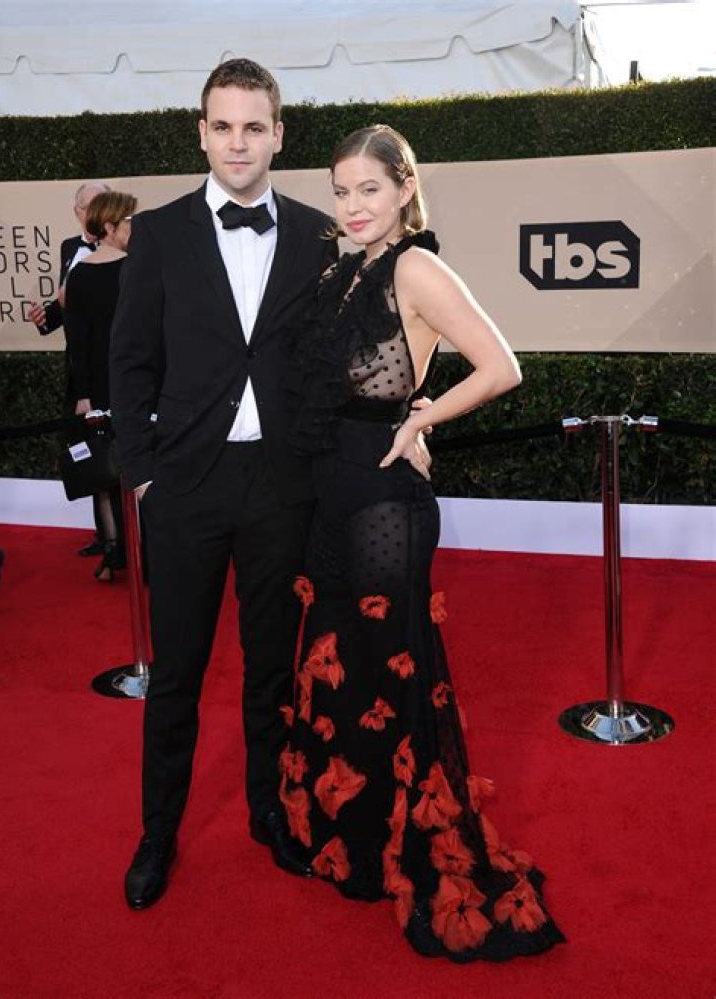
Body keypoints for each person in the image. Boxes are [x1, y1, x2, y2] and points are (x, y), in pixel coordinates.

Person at [282, 124, 565, 961]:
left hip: (383, 505)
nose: (352, 206)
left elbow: (501, 365)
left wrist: (421, 418)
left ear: (405, 188)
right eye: (341, 191)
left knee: (387, 674)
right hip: (333, 496)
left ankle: (397, 842)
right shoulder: (346, 270)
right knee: (341, 665)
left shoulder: (415, 268)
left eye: (369, 189)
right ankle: (355, 832)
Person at [109, 58, 337, 910]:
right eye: (223, 126)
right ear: (201, 133)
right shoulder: (159, 234)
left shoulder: (318, 234)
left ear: (279, 135)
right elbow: (129, 362)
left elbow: (331, 365)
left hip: (281, 486)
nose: (238, 142)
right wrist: (143, 475)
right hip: (186, 487)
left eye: (254, 126)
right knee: (176, 674)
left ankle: (268, 812)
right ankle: (158, 832)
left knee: (272, 669)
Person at [26, 180, 112, 559]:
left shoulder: (123, 248)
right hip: (79, 367)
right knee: (87, 449)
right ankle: (104, 535)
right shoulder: (68, 248)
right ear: (77, 212)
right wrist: (45, 318)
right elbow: (69, 304)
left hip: (110, 367)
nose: (97, 212)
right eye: (91, 205)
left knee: (114, 448)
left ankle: (124, 541)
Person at [65, 191, 137, 582]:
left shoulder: (84, 274)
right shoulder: (133, 269)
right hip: (129, 384)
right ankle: (130, 555)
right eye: (128, 221)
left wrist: (84, 394)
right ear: (110, 226)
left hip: (109, 386)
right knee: (120, 470)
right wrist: (84, 395)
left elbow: (77, 343)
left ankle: (116, 554)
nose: (133, 228)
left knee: (111, 476)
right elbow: (79, 341)